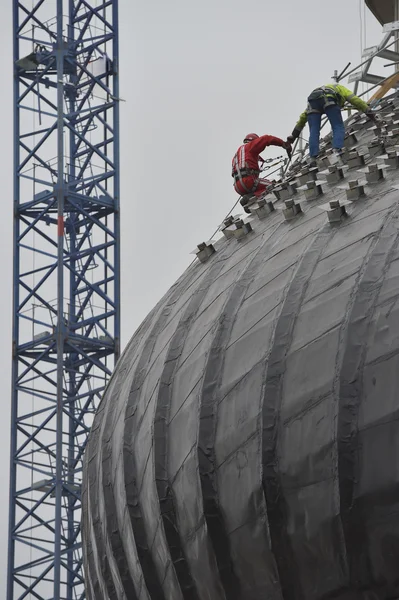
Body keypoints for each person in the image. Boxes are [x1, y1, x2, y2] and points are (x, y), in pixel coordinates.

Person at [287, 83, 377, 161]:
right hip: (328, 98)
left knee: (314, 131)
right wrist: (368, 111)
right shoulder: (341, 89)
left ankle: (313, 157)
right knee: (337, 126)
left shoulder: (317, 94)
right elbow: (356, 100)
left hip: (312, 103)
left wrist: (294, 135)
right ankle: (337, 149)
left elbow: (303, 118)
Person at [232, 133, 292, 202]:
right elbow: (266, 139)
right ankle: (253, 196)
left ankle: (250, 199)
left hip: (237, 187)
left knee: (260, 189)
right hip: (248, 181)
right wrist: (283, 144)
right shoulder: (250, 146)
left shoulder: (236, 156)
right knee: (274, 186)